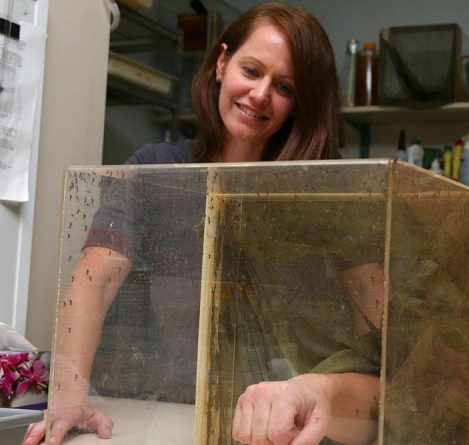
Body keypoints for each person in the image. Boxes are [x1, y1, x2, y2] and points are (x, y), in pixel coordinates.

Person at [24, 3, 379, 445]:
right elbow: (93, 278)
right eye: (251, 70)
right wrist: (68, 394)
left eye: (284, 86)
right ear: (222, 62)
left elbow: (381, 326)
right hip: (165, 413)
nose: (260, 94)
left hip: (283, 427)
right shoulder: (154, 169)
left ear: (300, 104)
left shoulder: (324, 191)